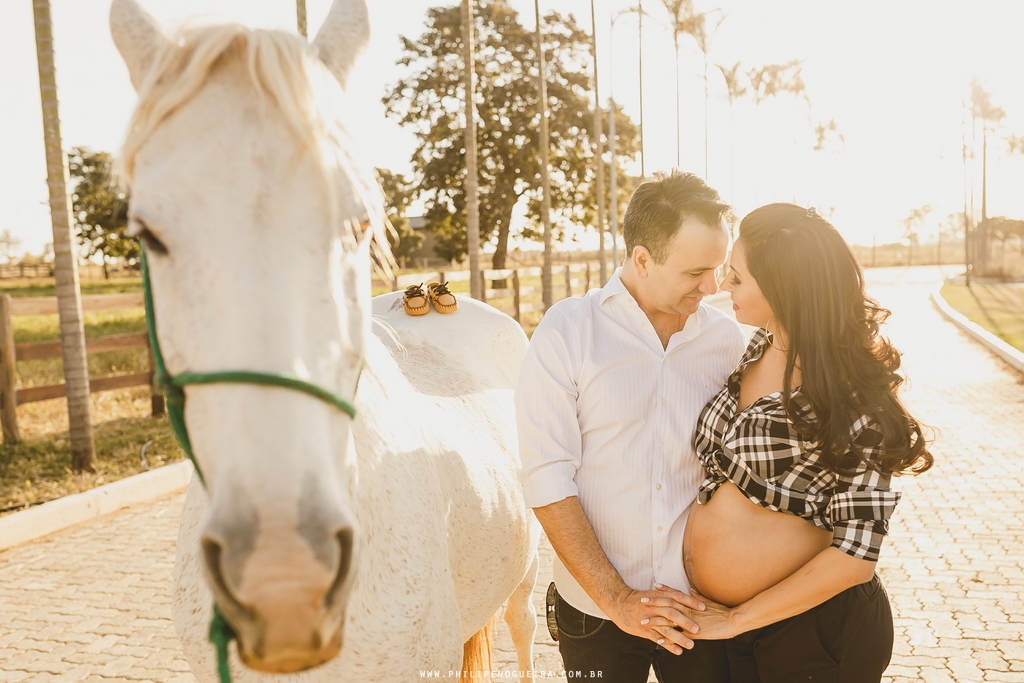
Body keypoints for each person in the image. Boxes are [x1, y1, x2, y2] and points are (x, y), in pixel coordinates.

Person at [674, 203, 933, 682]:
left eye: (737, 277)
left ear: (782, 288)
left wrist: (736, 619)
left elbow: (857, 556)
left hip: (810, 636)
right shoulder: (756, 346)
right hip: (722, 628)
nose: (723, 287)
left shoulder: (851, 392)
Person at [516, 170, 747, 682]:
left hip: (699, 612)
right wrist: (618, 600)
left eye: (719, 269)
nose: (712, 287)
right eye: (695, 273)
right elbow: (547, 477)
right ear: (642, 259)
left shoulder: (729, 344)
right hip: (596, 612)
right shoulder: (567, 332)